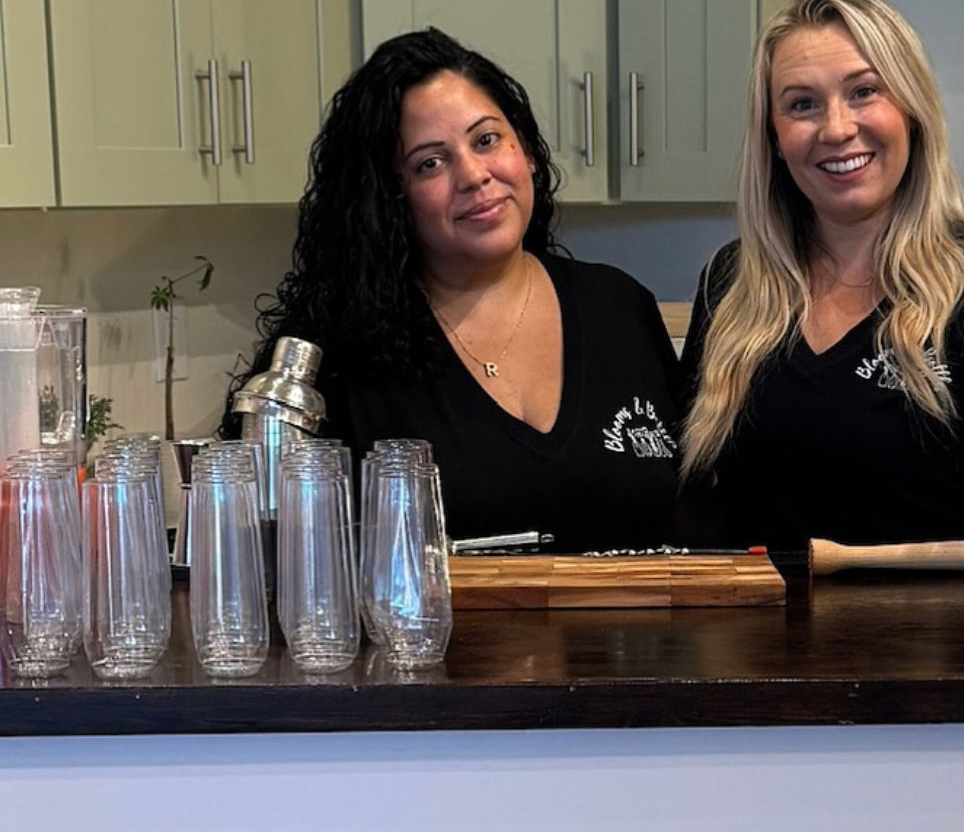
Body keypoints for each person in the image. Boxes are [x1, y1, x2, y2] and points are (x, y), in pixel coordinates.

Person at [228, 28, 681, 551]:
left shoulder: (621, 307)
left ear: (527, 150)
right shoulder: (341, 356)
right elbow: (284, 561)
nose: (473, 175)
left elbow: (693, 520)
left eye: (486, 139)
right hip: (432, 636)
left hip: (641, 635)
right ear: (391, 200)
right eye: (430, 164)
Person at [678, 0, 964, 551]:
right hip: (750, 637)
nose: (836, 128)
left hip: (931, 638)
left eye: (863, 91)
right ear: (774, 138)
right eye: (802, 103)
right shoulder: (730, 285)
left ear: (911, 109)